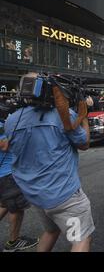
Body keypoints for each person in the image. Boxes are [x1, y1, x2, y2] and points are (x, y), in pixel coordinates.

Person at [2, 73, 94, 252]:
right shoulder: (63, 115)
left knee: (51, 231)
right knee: (81, 239)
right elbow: (84, 144)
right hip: (65, 197)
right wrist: (83, 117)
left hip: (35, 194)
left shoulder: (12, 119)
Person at [0, 105, 39, 252]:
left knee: (4, 205)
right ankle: (13, 242)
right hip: (7, 174)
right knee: (16, 209)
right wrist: (17, 134)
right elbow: (4, 145)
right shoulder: (0, 126)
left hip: (3, 174)